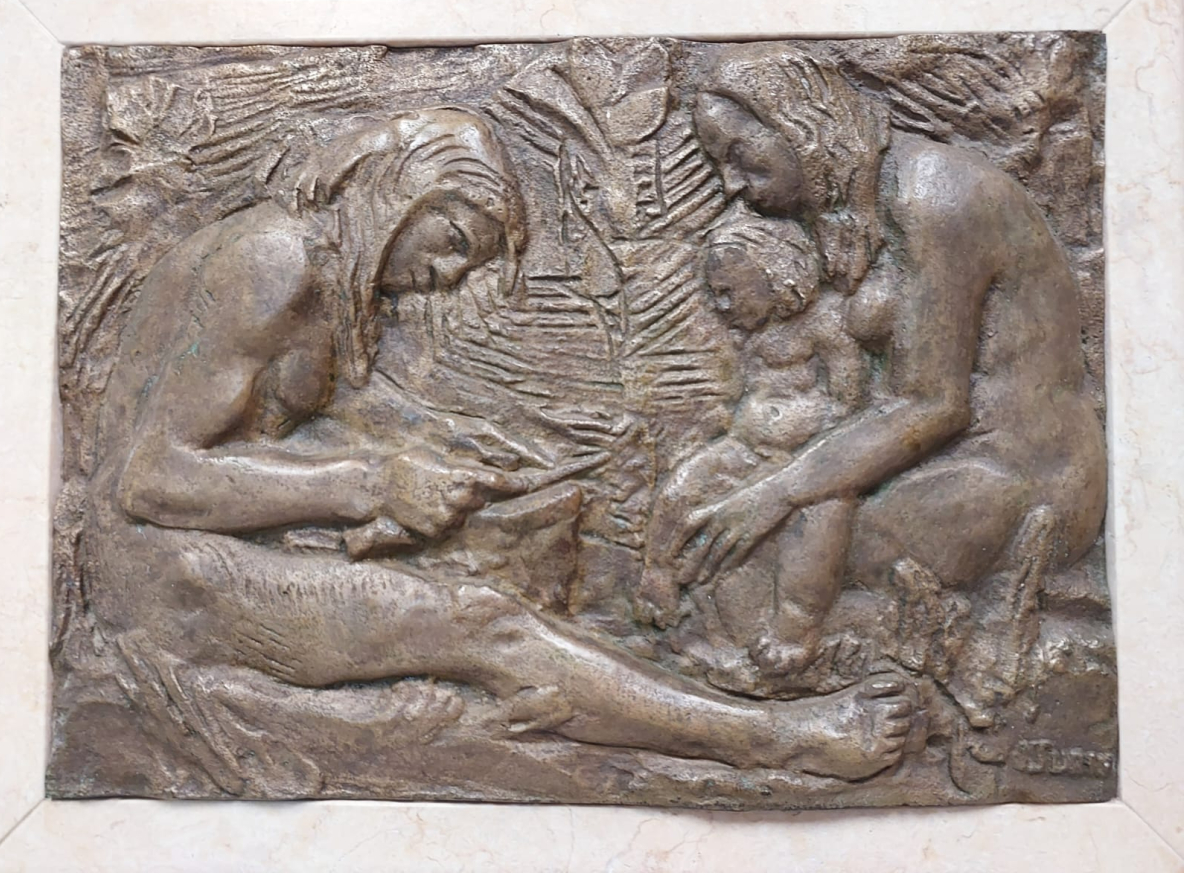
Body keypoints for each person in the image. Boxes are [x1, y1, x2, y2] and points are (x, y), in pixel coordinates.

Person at [83, 106, 915, 781]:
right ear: (406, 195)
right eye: (453, 242)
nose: (449, 275)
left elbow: (283, 423)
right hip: (169, 575)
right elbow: (151, 480)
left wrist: (463, 445)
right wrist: (371, 485)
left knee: (521, 568)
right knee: (484, 622)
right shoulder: (272, 260)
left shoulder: (317, 264)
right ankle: (778, 743)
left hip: (215, 547)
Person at [671, 47, 1106, 706]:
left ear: (800, 127)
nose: (732, 183)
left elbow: (932, 406)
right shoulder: (865, 201)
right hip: (935, 463)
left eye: (739, 155)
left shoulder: (936, 198)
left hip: (1016, 476)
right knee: (712, 521)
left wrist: (777, 492)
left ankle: (865, 661)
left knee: (758, 552)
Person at [640, 209, 863, 677]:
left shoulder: (824, 325)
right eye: (715, 292)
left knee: (814, 524)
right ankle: (657, 573)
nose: (720, 305)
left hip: (802, 460)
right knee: (681, 488)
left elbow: (850, 400)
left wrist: (810, 435)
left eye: (729, 292)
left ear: (775, 276)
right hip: (743, 450)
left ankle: (795, 627)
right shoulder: (754, 334)